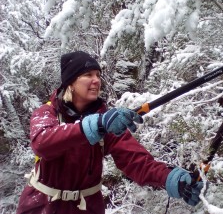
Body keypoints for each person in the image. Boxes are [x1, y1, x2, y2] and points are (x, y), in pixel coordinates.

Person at [16, 51, 204, 214]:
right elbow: (43, 143)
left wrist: (169, 178)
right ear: (70, 83)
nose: (96, 80)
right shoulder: (47, 112)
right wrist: (93, 126)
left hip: (87, 209)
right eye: (88, 74)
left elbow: (136, 161)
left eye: (98, 74)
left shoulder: (108, 121)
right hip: (42, 207)